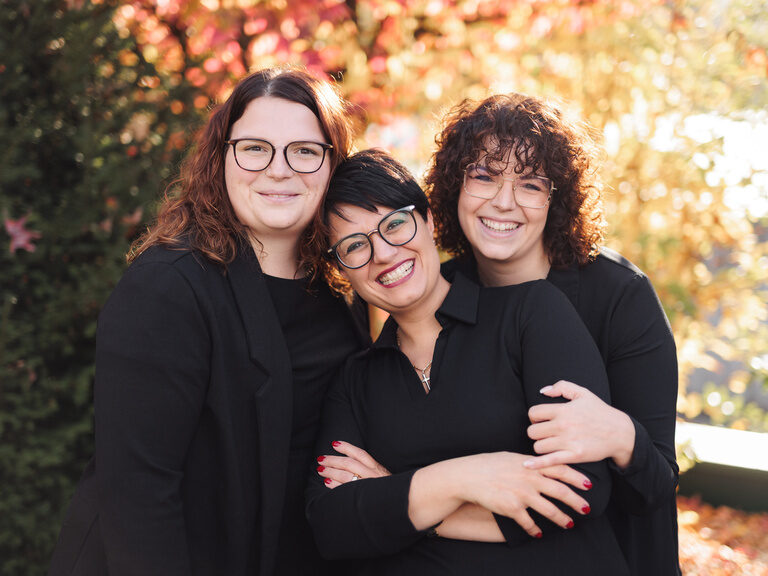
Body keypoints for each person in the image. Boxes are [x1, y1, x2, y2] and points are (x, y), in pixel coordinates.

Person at [47, 66, 366, 576]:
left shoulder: (336, 296)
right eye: (255, 147)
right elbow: (138, 494)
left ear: (332, 165)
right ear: (222, 158)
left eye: (305, 151)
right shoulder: (169, 287)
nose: (280, 170)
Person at [305, 149, 630, 575]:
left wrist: (397, 498)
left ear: (429, 221)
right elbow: (332, 526)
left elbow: (577, 493)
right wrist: (464, 478)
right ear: (341, 269)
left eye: (395, 224)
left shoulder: (530, 313)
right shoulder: (355, 380)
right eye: (353, 246)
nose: (382, 253)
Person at [425, 93, 680, 575]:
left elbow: (658, 486)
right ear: (452, 187)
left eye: (530, 183)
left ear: (556, 198)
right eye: (483, 175)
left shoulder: (621, 296)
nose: (504, 201)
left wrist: (623, 437)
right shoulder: (439, 295)